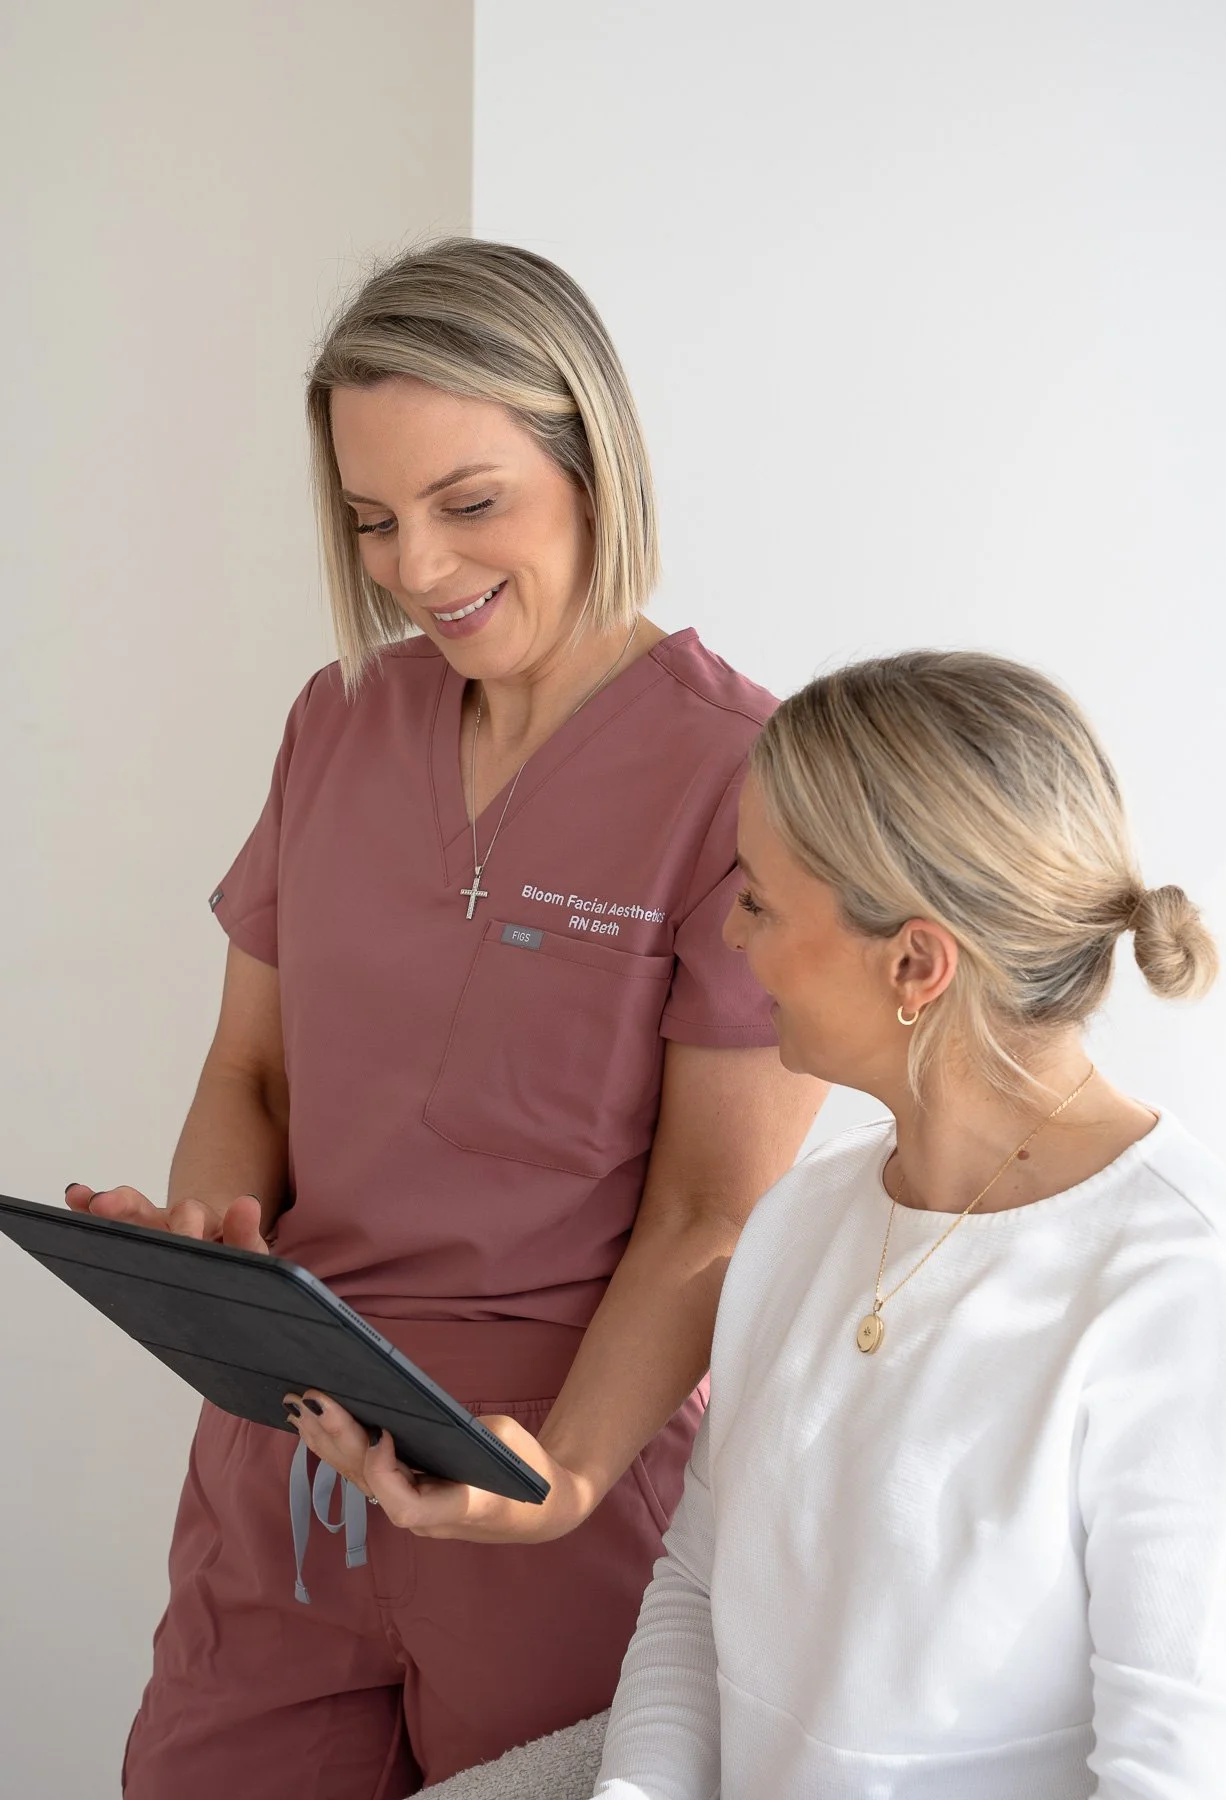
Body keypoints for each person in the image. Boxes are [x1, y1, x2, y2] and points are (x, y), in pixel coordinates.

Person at [65, 239, 823, 1796]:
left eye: (467, 504)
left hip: (549, 1479)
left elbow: (704, 1214)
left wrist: (556, 1488)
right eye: (370, 519)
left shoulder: (744, 778)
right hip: (288, 1459)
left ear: (589, 460)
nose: (414, 568)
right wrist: (213, 1239)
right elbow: (251, 1069)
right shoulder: (338, 720)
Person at [594, 650, 1225, 1800]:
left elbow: (1168, 1773)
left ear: (915, 964)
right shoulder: (799, 1221)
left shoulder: (1177, 1292)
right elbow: (692, 1591)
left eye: (757, 901)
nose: (731, 939)